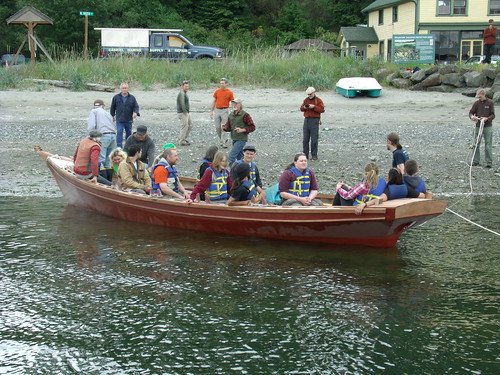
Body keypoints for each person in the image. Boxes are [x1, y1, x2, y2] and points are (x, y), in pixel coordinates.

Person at [355, 168, 424, 215]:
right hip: (401, 211)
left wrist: (365, 204)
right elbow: (422, 195)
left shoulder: (389, 190)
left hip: (389, 211)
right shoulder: (406, 188)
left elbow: (379, 199)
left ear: (389, 177)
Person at [87, 99, 116, 182]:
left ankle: (104, 183)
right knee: (108, 161)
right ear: (103, 106)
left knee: (101, 159)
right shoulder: (107, 113)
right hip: (113, 135)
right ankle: (110, 181)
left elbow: (91, 125)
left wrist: (89, 136)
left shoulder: (94, 111)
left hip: (103, 135)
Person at [222, 98, 255, 165]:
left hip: (242, 139)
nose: (234, 105)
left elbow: (252, 127)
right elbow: (229, 128)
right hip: (234, 139)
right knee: (240, 157)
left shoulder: (245, 115)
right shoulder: (231, 115)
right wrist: (224, 127)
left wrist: (243, 130)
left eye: (236, 103)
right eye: (233, 103)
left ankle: (232, 173)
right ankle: (245, 170)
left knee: (231, 156)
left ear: (240, 105)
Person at [469, 88, 494, 168]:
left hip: (487, 126)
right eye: (478, 97)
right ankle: (476, 161)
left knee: (488, 144)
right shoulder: (476, 103)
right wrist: (472, 117)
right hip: (478, 125)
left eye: (480, 97)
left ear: (484, 95)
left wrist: (487, 118)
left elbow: (493, 115)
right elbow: (471, 112)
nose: (479, 98)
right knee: (476, 144)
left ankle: (489, 162)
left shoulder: (490, 103)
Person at [110, 82, 140, 147]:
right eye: (123, 88)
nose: (124, 89)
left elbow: (136, 106)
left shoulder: (132, 98)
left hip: (128, 119)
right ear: (120, 89)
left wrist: (135, 112)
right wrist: (112, 115)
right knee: (119, 132)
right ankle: (119, 147)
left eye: (125, 88)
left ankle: (128, 147)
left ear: (128, 89)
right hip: (119, 119)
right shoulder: (116, 97)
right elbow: (113, 107)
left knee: (129, 134)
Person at [300, 87, 325, 161]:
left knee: (314, 139)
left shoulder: (318, 100)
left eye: (310, 94)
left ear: (314, 93)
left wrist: (314, 107)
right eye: (308, 94)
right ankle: (305, 155)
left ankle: (314, 155)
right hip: (306, 120)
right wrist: (305, 107)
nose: (309, 95)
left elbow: (322, 109)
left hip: (315, 120)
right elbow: (301, 108)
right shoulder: (306, 100)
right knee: (305, 139)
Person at [210, 78, 234, 148]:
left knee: (223, 126)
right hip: (217, 110)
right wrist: (211, 111)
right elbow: (214, 101)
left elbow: (232, 102)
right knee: (217, 127)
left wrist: (233, 111)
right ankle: (222, 139)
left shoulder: (229, 92)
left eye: (223, 83)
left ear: (226, 84)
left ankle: (223, 142)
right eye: (220, 83)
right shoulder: (217, 91)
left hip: (225, 110)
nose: (221, 85)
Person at [177, 80, 192, 146]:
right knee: (184, 126)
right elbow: (182, 103)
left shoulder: (184, 93)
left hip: (186, 112)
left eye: (188, 86)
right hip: (182, 112)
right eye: (186, 86)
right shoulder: (181, 94)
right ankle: (181, 140)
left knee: (190, 125)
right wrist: (185, 111)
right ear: (182, 86)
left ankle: (183, 138)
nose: (187, 88)